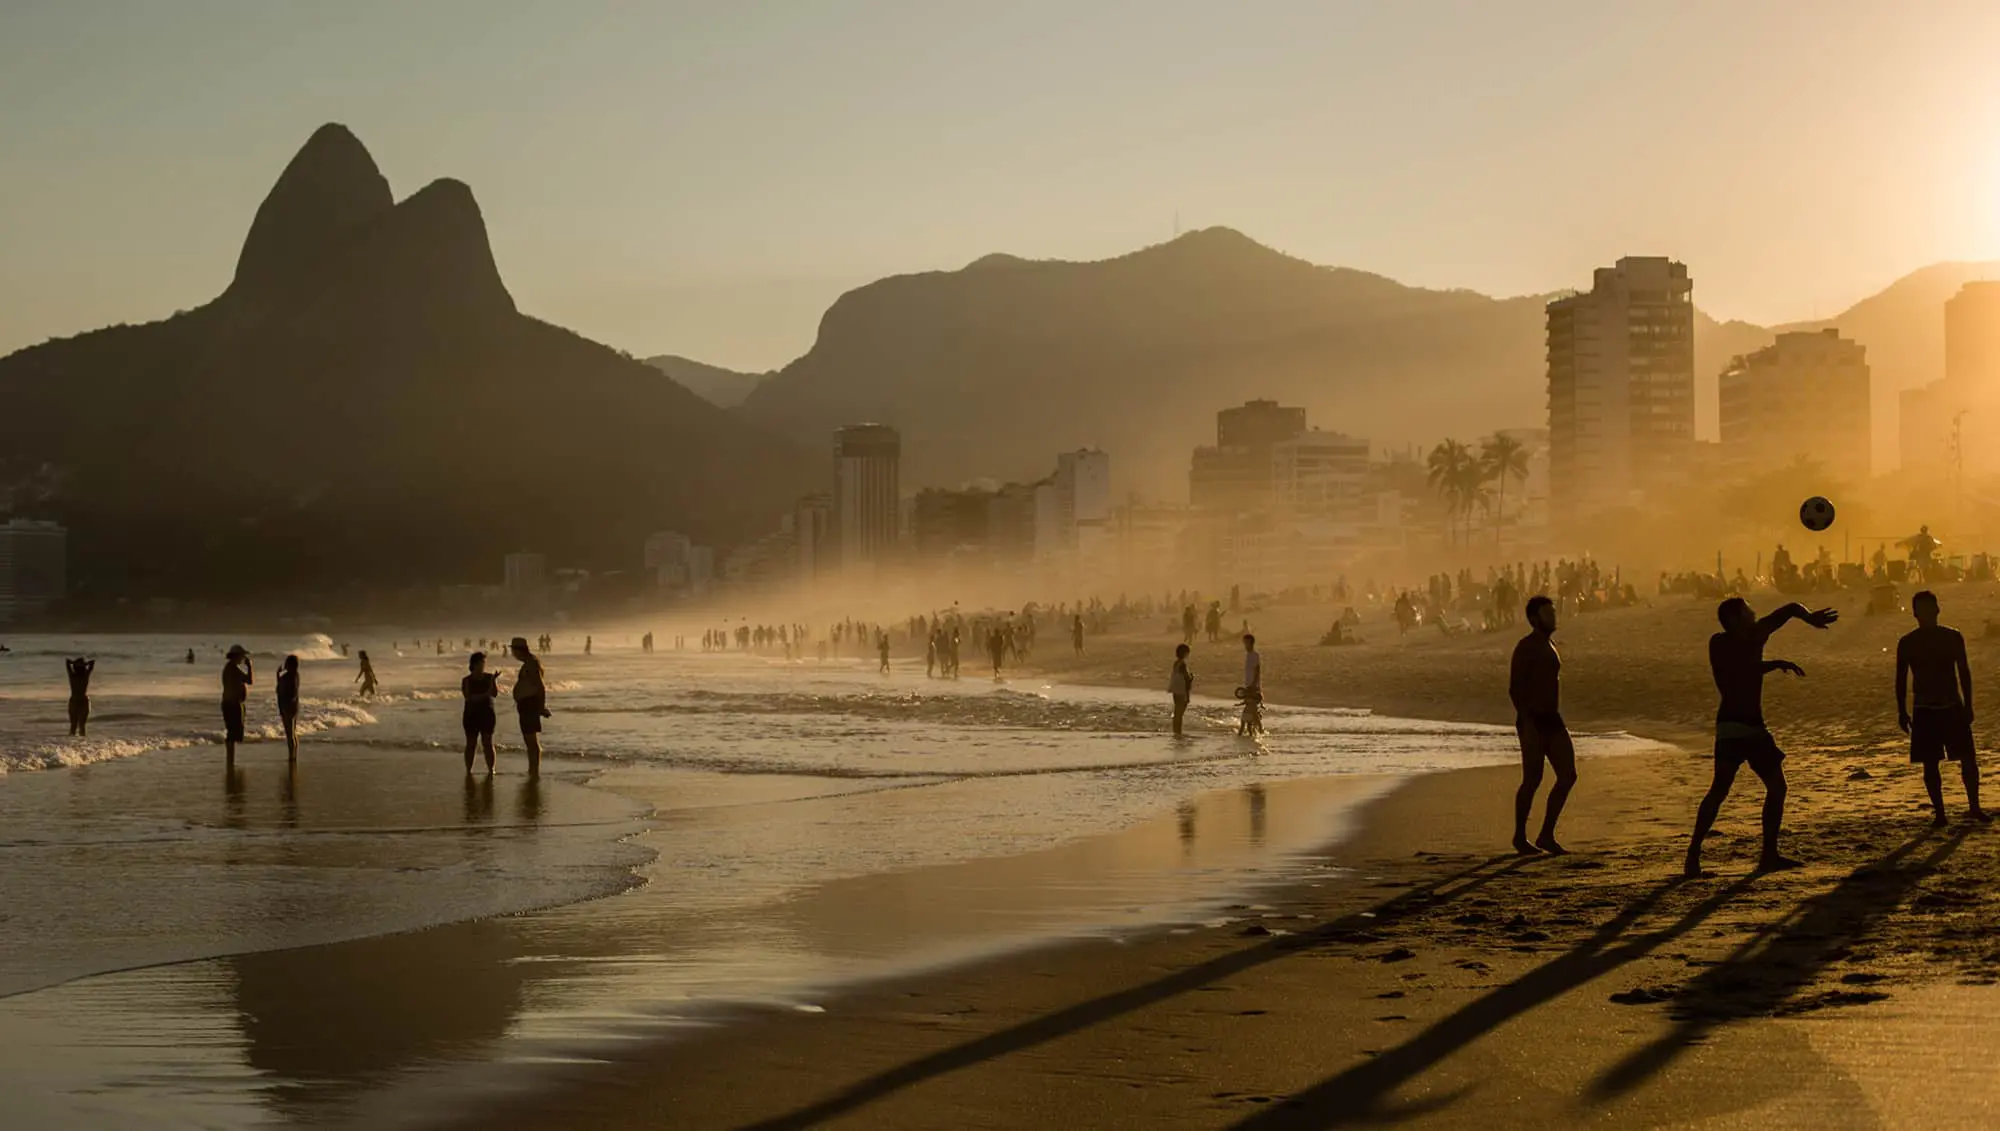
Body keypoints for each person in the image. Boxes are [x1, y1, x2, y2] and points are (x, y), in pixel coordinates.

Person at [1685, 598, 1838, 877]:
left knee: (1776, 788)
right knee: (1720, 789)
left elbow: (1789, 608)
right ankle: (1694, 853)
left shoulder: (1752, 635)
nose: (1754, 613)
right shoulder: (1720, 643)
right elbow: (1739, 670)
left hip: (1752, 727)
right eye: (1747, 611)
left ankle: (1768, 853)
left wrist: (1810, 618)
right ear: (1734, 619)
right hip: (1733, 727)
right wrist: (1774, 663)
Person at [1896, 591, 1988, 825]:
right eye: (1922, 609)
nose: (1926, 614)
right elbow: (1900, 679)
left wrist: (1968, 704)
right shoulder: (1907, 643)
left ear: (1937, 610)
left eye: (1930, 608)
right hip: (1924, 708)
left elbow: (1964, 671)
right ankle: (1940, 813)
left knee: (1967, 758)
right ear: (1915, 613)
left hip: (1952, 705)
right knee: (1930, 763)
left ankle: (1974, 807)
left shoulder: (1952, 637)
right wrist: (1901, 711)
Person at [1507, 596, 1575, 855]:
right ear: (1534, 618)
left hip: (1553, 719)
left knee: (1568, 775)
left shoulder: (1550, 644)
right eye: (1548, 613)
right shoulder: (1526, 646)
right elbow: (1515, 687)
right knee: (1532, 779)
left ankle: (1546, 834)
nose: (1554, 617)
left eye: (1554, 612)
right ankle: (1520, 837)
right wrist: (1526, 721)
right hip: (1532, 719)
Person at [510, 637, 549, 776]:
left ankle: (534, 770)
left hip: (530, 704)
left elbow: (540, 686)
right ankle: (532, 769)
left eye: (513, 650)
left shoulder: (531, 664)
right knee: (529, 740)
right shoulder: (528, 663)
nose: (512, 654)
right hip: (526, 704)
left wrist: (541, 707)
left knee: (531, 741)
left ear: (519, 650)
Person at [462, 651, 499, 774]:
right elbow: (469, 697)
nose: (483, 665)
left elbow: (494, 694)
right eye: (481, 662)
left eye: (484, 662)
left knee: (487, 742)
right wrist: (486, 694)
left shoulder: (489, 677)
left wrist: (493, 681)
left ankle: (491, 769)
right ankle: (468, 770)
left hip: (487, 713)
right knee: (471, 743)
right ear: (475, 664)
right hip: (471, 714)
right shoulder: (467, 680)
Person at [222, 644, 253, 762]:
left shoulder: (230, 667)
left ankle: (230, 759)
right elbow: (249, 680)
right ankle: (230, 760)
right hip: (232, 704)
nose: (242, 658)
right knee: (233, 733)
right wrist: (250, 667)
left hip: (232, 703)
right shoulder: (232, 669)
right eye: (241, 656)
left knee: (234, 733)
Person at [276, 654, 301, 761]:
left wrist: (278, 675)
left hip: (287, 706)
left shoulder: (287, 677)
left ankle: (292, 756)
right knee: (293, 732)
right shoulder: (296, 676)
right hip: (294, 706)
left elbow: (279, 690)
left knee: (289, 733)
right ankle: (294, 754)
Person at [1238, 633, 1263, 737]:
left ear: (1250, 643)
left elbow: (1257, 671)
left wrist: (1253, 685)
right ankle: (1258, 731)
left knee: (1249, 712)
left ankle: (1257, 731)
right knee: (1252, 711)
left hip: (1253, 687)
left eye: (1246, 643)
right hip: (1249, 686)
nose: (1244, 645)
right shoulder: (1248, 655)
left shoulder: (1254, 655)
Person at [1169, 643, 1195, 738]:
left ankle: (1176, 732)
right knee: (1179, 713)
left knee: (1177, 712)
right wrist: (1191, 677)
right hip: (1182, 690)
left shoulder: (1176, 663)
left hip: (1175, 689)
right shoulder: (1183, 664)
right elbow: (1186, 678)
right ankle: (1178, 732)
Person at [65, 656, 95, 737]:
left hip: (81, 701)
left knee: (80, 725)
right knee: (75, 725)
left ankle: (80, 744)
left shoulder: (82, 675)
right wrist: (84, 664)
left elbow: (92, 663)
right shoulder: (74, 675)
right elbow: (67, 662)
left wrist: (76, 663)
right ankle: (73, 744)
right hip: (77, 701)